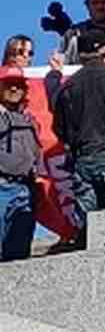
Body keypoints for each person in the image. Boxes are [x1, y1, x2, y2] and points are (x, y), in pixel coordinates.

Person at [51, 31, 105, 234]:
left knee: (88, 226)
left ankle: (92, 262)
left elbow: (59, 128)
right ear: (103, 51)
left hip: (83, 159)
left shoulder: (67, 87)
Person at [0, 66, 40, 261]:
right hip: (2, 188)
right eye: (9, 85)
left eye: (18, 85)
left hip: (26, 189)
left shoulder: (29, 120)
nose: (14, 89)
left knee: (19, 253)